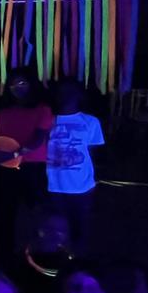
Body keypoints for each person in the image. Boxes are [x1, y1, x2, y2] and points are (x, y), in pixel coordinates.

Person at [0, 70, 55, 262]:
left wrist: (13, 154)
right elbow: (0, 140)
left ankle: (41, 255)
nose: (17, 88)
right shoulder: (4, 112)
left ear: (31, 85)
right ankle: (4, 257)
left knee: (36, 213)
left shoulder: (43, 109)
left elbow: (37, 140)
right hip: (7, 169)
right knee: (5, 214)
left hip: (33, 168)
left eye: (22, 83)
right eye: (13, 85)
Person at [45, 79, 104, 250]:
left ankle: (78, 262)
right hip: (54, 186)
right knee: (57, 228)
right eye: (62, 92)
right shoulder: (48, 120)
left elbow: (92, 153)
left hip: (82, 187)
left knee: (81, 228)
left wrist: (93, 181)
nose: (65, 96)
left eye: (70, 91)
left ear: (79, 95)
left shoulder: (91, 122)